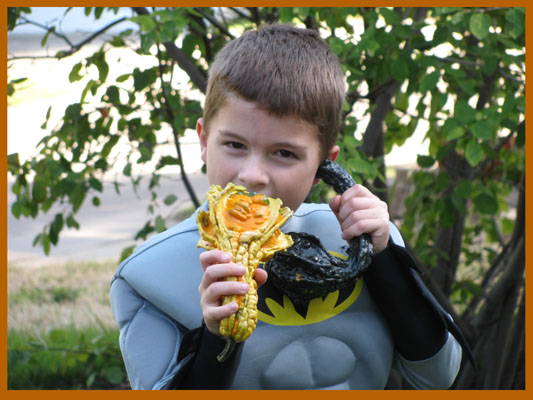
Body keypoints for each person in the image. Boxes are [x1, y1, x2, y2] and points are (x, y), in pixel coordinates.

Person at [110, 23, 473, 390]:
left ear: (323, 166)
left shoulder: (359, 238)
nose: (253, 176)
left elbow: (439, 377)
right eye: (235, 145)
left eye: (284, 153)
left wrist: (383, 260)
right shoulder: (147, 276)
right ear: (204, 141)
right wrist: (218, 337)